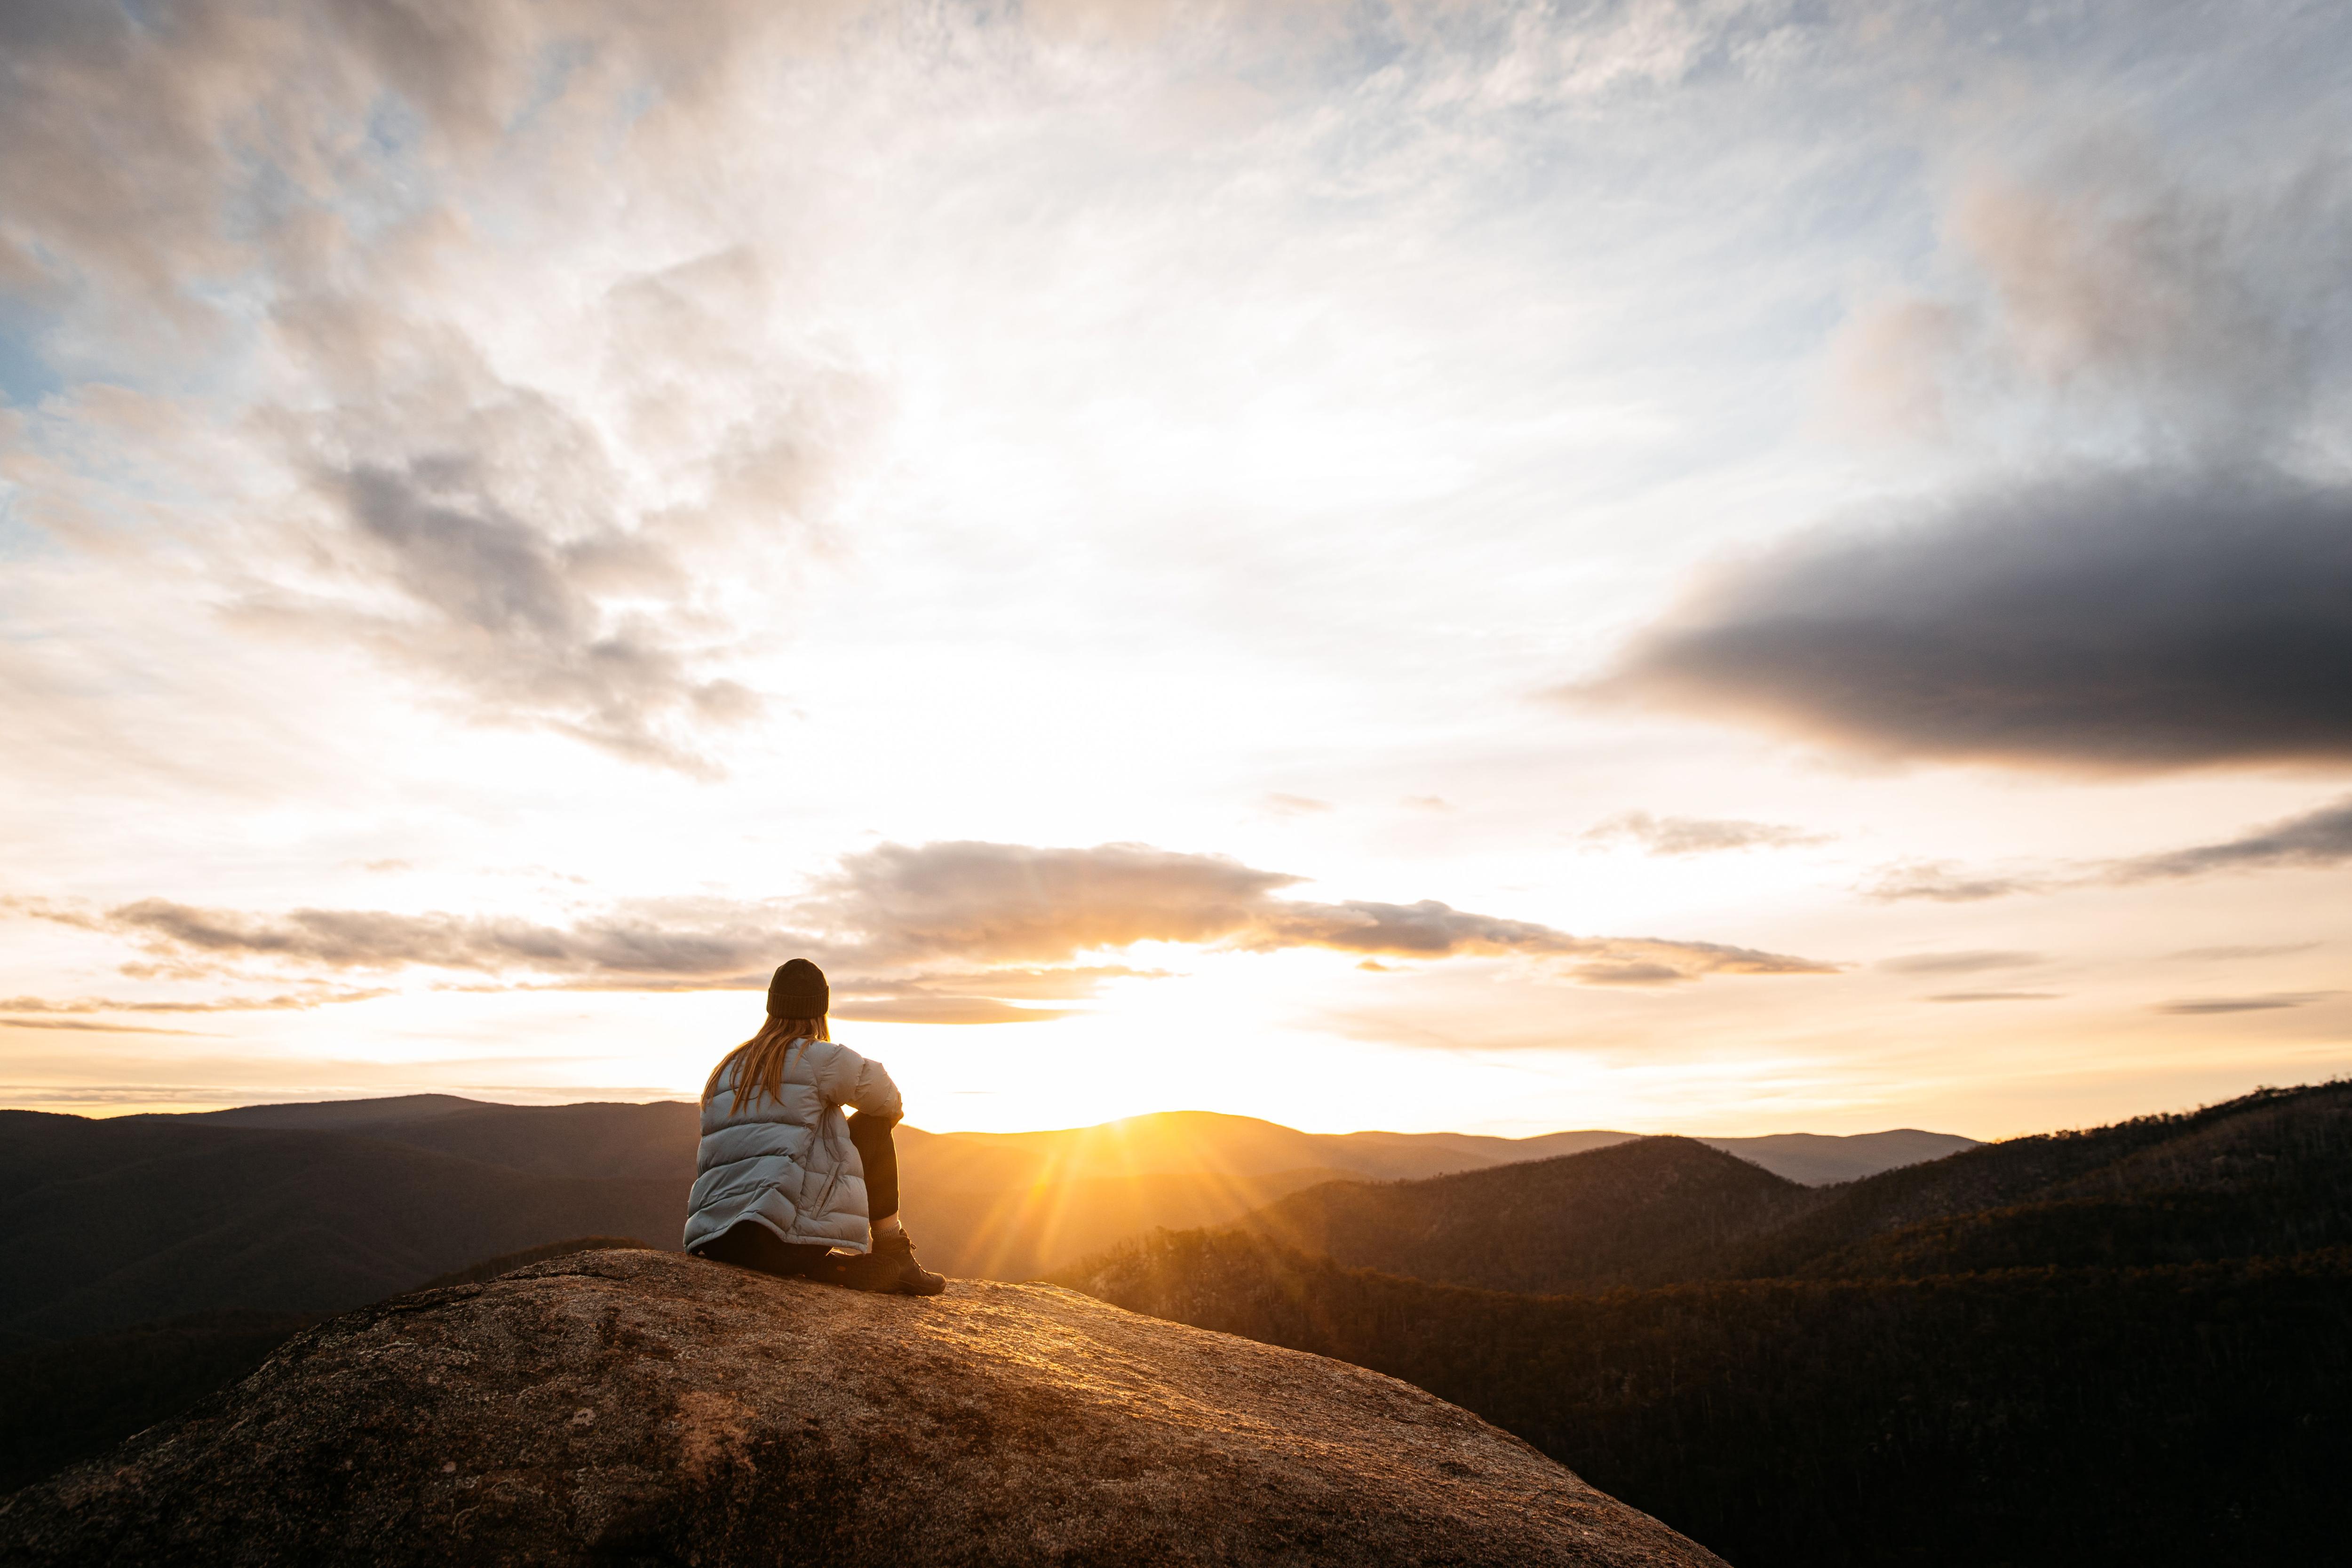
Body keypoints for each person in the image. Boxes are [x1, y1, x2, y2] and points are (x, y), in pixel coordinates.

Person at [683, 958, 945, 1296]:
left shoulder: (729, 1068)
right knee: (874, 1125)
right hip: (777, 1240)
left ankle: (821, 1264)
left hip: (718, 1239)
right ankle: (893, 1249)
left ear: (772, 1005)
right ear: (820, 1009)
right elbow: (889, 1101)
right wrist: (843, 1144)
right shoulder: (819, 1057)